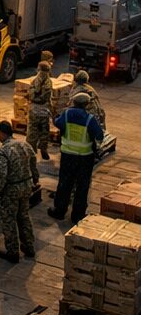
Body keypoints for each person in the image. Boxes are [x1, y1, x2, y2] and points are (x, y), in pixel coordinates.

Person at [49, 93, 104, 225]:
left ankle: (59, 211)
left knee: (64, 183)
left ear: (73, 102)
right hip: (85, 158)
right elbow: (99, 135)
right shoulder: (89, 119)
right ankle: (77, 215)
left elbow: (57, 123)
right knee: (82, 186)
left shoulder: (66, 114)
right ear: (86, 104)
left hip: (68, 155)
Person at [0, 120, 40, 263]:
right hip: (26, 187)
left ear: (1, 133)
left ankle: (13, 252)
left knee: (9, 220)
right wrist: (35, 180)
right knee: (24, 216)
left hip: (11, 190)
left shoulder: (3, 151)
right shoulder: (25, 145)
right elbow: (33, 163)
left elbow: (1, 174)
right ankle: (29, 246)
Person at [26, 57, 53, 160]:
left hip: (34, 109)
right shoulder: (49, 81)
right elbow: (48, 96)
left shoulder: (35, 80)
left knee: (32, 130)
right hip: (44, 109)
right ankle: (43, 148)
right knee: (44, 130)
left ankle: (31, 151)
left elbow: (31, 94)